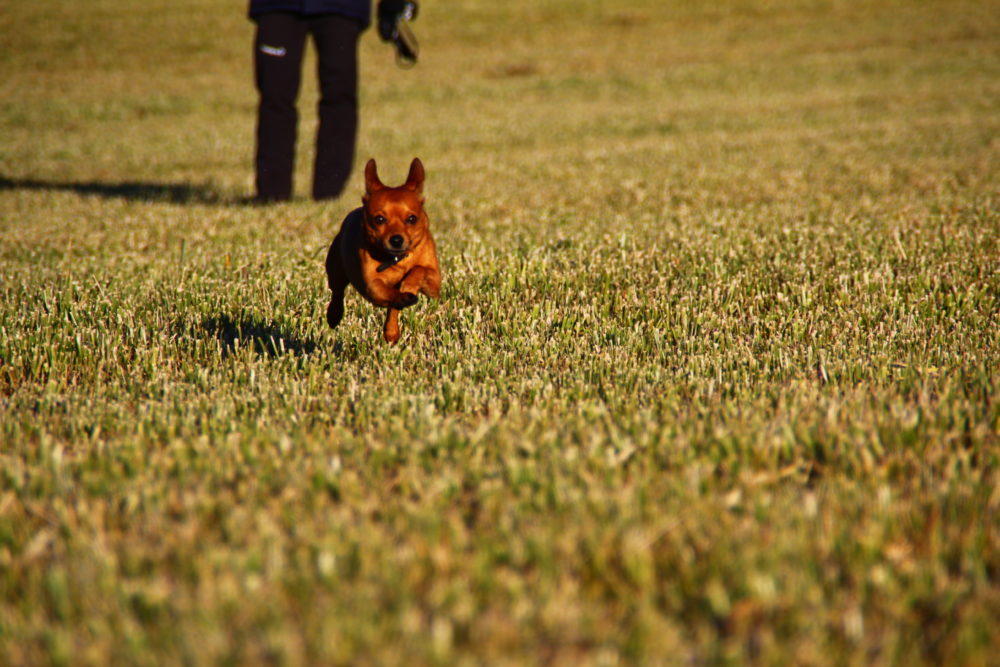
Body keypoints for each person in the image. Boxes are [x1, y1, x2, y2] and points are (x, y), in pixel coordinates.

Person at [248, 1, 384, 202]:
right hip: (276, 6)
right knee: (274, 96)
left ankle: (329, 194)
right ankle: (271, 194)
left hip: (342, 6)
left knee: (339, 95)